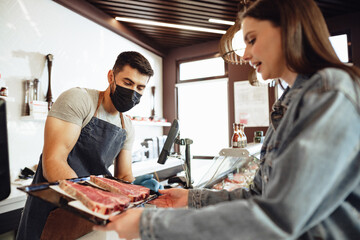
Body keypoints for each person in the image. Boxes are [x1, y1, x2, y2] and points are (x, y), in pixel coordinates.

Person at [93, 0, 360, 239]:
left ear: (288, 30)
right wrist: (191, 198)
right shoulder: (290, 103)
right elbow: (257, 196)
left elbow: (279, 218)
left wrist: (150, 225)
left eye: (252, 40)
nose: (244, 55)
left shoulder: (329, 93)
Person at [17, 51, 155, 240]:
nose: (133, 93)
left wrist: (138, 190)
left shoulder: (127, 126)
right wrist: (94, 198)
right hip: (54, 208)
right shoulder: (79, 100)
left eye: (140, 87)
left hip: (93, 213)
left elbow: (123, 175)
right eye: (127, 83)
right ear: (111, 77)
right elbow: (53, 161)